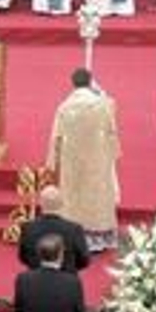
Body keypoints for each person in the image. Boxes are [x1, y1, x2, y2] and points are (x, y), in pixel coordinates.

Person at [47, 68, 121, 251]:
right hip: (97, 157)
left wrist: (52, 161)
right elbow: (112, 129)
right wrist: (113, 152)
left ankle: (75, 235)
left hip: (72, 158)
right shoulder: (102, 104)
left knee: (74, 196)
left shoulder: (64, 107)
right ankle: (99, 235)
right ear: (90, 83)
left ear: (73, 83)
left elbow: (56, 137)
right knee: (96, 194)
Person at [17, 187, 91, 272]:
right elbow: (84, 260)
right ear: (61, 204)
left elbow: (23, 257)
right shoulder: (74, 229)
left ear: (41, 203)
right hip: (67, 280)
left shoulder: (28, 228)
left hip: (35, 279)